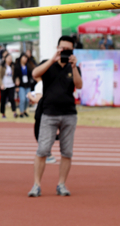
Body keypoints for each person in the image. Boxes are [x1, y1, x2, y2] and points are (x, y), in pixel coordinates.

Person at [28, 36, 82, 198]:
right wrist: (53, 59)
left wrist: (74, 67)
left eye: (68, 49)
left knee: (67, 152)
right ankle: (36, 185)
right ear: (57, 47)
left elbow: (79, 85)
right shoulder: (48, 63)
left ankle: (61, 185)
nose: (64, 52)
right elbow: (35, 74)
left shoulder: (74, 67)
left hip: (69, 114)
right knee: (42, 150)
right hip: (49, 113)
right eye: (62, 48)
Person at [0, 54, 17, 119]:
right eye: (8, 58)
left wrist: (16, 82)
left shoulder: (13, 66)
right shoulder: (2, 66)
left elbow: (15, 75)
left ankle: (14, 112)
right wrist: (1, 84)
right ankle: (3, 113)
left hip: (11, 85)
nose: (10, 59)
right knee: (3, 100)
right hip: (4, 85)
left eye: (11, 58)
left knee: (12, 99)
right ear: (5, 59)